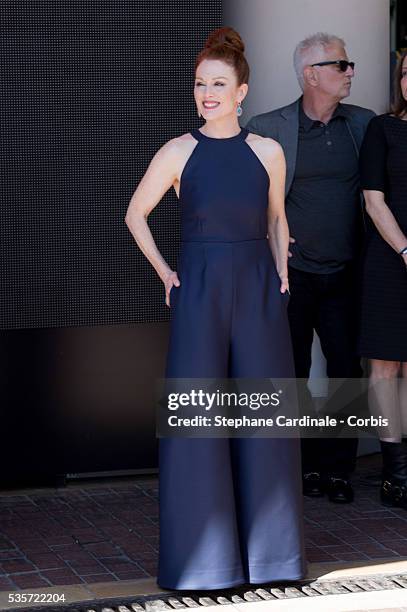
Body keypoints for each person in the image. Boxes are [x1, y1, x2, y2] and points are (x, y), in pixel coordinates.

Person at [124, 27, 306, 590]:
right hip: (198, 288)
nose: (207, 93)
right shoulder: (179, 150)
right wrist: (168, 275)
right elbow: (136, 215)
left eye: (218, 84)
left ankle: (273, 560)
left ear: (241, 91)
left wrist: (280, 270)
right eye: (201, 83)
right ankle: (202, 563)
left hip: (257, 289)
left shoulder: (268, 152)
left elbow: (277, 219)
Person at [246, 33, 375, 504]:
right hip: (290, 274)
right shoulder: (268, 127)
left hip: (345, 272)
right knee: (290, 371)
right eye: (342, 65)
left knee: (346, 372)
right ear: (311, 74)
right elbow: (245, 196)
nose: (351, 72)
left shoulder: (362, 125)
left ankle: (337, 470)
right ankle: (293, 469)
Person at [359, 50, 407, 509]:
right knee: (386, 367)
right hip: (390, 262)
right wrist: (406, 250)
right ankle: (395, 473)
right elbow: (374, 201)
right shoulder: (383, 129)